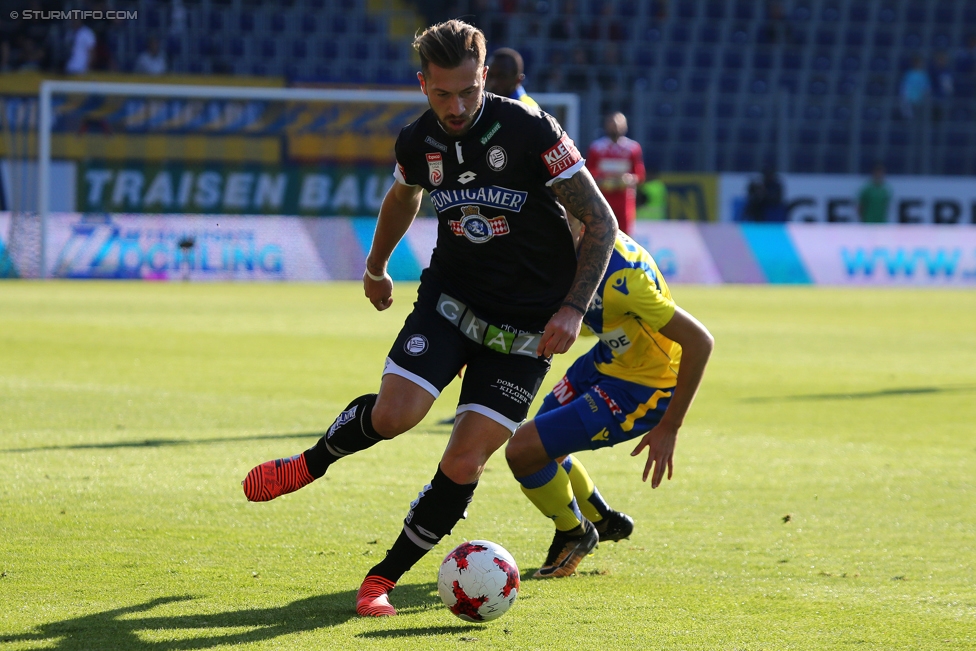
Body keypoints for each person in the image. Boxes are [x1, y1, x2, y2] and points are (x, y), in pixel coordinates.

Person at [241, 19, 617, 617]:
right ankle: (309, 464)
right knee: (394, 416)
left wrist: (574, 307)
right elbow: (403, 198)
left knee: (463, 461)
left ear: (485, 77)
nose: (458, 105)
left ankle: (380, 580)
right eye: (444, 94)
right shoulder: (417, 141)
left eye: (469, 90)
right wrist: (375, 266)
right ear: (423, 85)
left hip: (524, 331)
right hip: (451, 303)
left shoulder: (532, 131)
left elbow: (602, 221)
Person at [505, 224, 713, 578]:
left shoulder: (625, 279)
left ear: (582, 223)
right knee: (541, 448)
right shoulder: (565, 247)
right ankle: (603, 519)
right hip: (606, 360)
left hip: (646, 388)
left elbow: (699, 341)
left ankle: (577, 533)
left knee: (522, 451)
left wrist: (670, 427)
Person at [586, 112, 646, 235]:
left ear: (625, 126)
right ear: (606, 126)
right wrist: (602, 179)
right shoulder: (596, 147)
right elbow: (589, 173)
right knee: (601, 233)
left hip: (624, 198)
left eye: (619, 124)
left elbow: (639, 175)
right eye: (612, 124)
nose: (616, 127)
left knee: (624, 234)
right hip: (602, 197)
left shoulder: (633, 148)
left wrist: (628, 179)